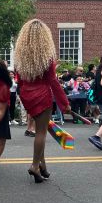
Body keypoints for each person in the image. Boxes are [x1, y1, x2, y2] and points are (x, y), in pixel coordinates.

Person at [14, 19, 70, 183]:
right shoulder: (47, 57)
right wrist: (64, 103)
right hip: (42, 93)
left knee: (40, 130)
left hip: (26, 94)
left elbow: (20, 81)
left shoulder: (20, 57)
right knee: (41, 133)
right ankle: (34, 165)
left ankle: (42, 166)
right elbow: (53, 82)